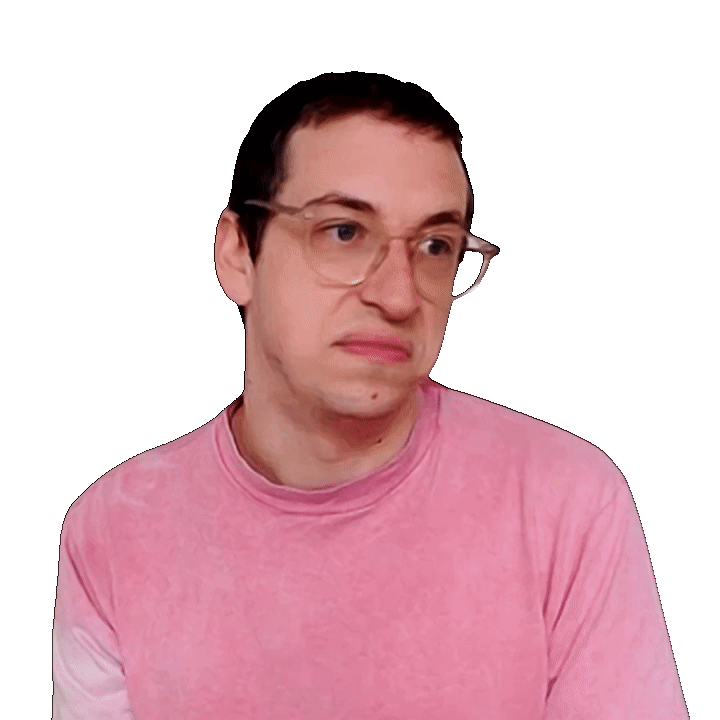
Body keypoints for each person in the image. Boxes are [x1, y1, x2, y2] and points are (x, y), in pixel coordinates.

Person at [52, 71, 689, 719]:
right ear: (237, 253)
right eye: (344, 232)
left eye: (435, 246)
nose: (400, 295)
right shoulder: (113, 533)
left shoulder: (567, 502)